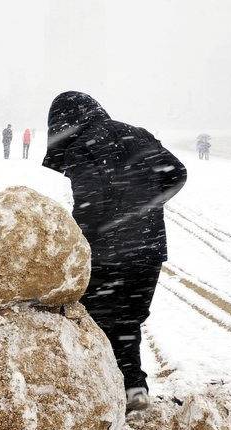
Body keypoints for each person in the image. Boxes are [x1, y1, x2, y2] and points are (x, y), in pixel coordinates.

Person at [43, 91, 187, 412]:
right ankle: (133, 386)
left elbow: (89, 205)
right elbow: (177, 173)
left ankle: (102, 392)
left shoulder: (84, 146)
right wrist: (146, 206)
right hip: (148, 251)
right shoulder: (138, 135)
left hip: (108, 254)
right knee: (129, 320)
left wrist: (82, 237)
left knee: (98, 321)